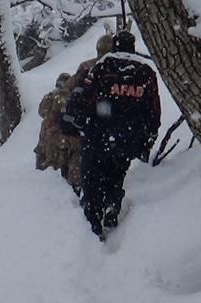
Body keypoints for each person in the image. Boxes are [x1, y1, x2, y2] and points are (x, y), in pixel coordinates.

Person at [60, 31, 161, 241]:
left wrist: (76, 121)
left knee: (92, 179)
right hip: (128, 138)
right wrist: (147, 138)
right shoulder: (147, 73)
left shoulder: (102, 67)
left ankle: (94, 223)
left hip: (98, 134)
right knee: (116, 175)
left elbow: (82, 96)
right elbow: (153, 111)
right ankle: (112, 203)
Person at [59, 33, 114, 194]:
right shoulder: (120, 67)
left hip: (88, 120)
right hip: (112, 121)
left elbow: (71, 91)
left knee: (82, 147)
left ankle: (78, 179)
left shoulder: (86, 67)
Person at [35, 73, 73, 171]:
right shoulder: (65, 96)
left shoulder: (50, 96)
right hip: (57, 135)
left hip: (47, 136)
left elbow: (41, 111)